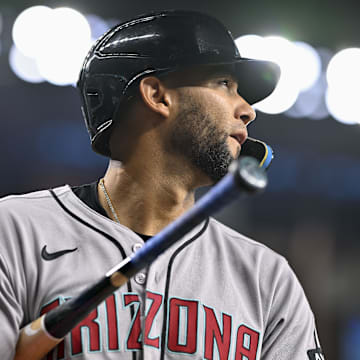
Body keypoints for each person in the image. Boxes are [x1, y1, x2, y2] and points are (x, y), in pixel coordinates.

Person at [0, 9, 324, 360]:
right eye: (224, 84)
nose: (247, 110)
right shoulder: (17, 232)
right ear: (157, 95)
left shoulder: (266, 277)